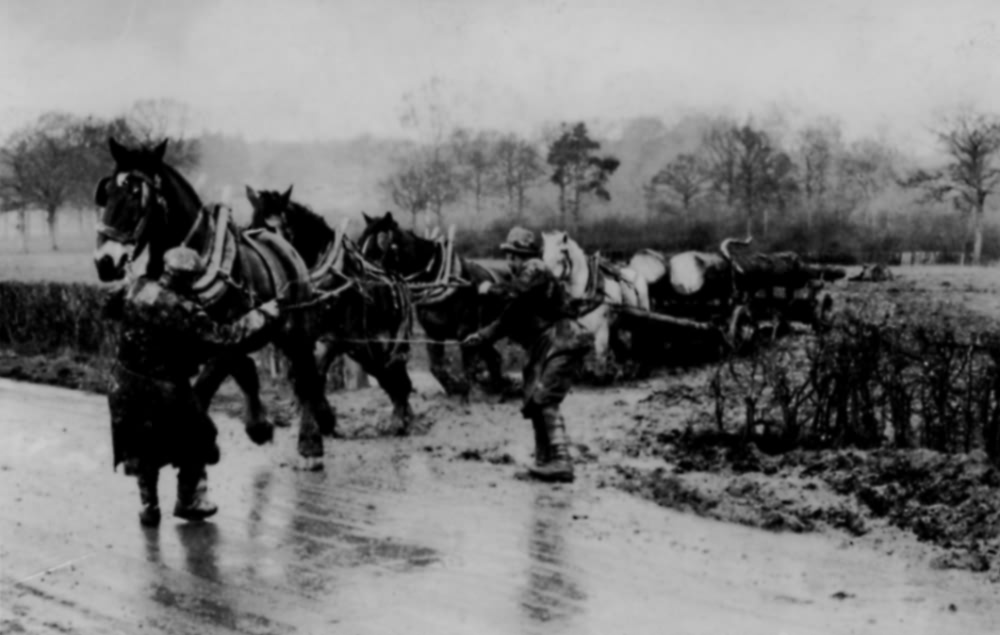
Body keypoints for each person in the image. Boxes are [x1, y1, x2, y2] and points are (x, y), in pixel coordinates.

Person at [106, 245, 281, 527]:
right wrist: (263, 314)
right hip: (163, 389)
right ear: (189, 279)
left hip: (123, 384)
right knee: (202, 435)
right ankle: (189, 500)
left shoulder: (137, 287)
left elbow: (108, 306)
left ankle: (149, 506)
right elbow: (226, 336)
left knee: (143, 445)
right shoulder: (182, 309)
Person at [463, 227, 594, 483]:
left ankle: (561, 461)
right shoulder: (526, 282)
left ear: (517, 255)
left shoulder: (535, 269)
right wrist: (480, 337)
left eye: (510, 256)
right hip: (544, 347)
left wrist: (489, 288)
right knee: (534, 401)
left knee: (545, 397)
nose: (508, 261)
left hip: (562, 340)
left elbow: (512, 292)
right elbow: (506, 320)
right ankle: (543, 462)